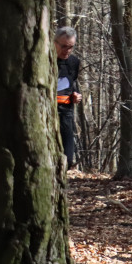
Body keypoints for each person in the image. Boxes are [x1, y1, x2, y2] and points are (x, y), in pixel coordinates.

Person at [55, 26, 82, 170]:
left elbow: (72, 83)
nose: (67, 50)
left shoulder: (74, 62)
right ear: (55, 43)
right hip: (47, 111)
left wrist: (76, 95)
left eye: (71, 47)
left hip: (66, 111)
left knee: (68, 158)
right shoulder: (45, 60)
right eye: (64, 46)